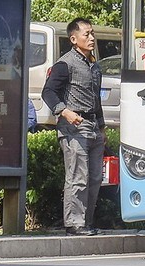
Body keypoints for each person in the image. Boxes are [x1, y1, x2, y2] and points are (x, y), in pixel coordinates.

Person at [41, 17, 104, 235]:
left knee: (95, 177)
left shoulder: (95, 66)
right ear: (73, 39)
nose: (92, 38)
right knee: (78, 176)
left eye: (92, 33)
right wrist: (65, 112)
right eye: (87, 34)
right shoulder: (64, 64)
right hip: (73, 128)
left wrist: (102, 127)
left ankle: (86, 221)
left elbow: (96, 97)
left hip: (93, 126)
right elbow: (48, 92)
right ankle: (74, 223)